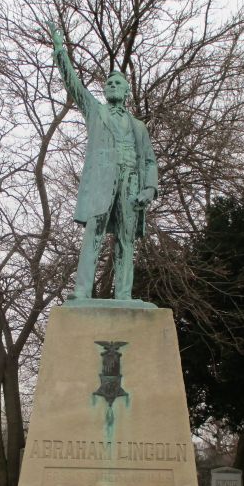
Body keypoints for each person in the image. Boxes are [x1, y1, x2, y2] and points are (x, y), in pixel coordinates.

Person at [48, 22, 158, 300]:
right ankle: (82, 292)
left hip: (131, 185)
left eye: (116, 82)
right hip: (102, 183)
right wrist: (61, 52)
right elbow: (74, 85)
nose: (110, 85)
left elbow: (149, 161)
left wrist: (148, 189)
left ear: (126, 90)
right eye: (108, 82)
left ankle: (124, 296)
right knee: (93, 235)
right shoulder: (96, 112)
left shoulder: (139, 127)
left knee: (125, 241)